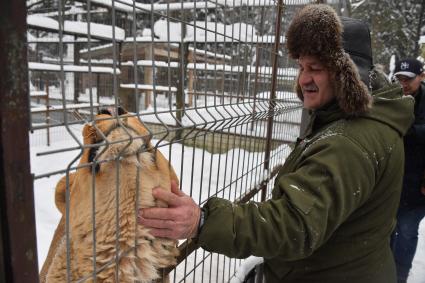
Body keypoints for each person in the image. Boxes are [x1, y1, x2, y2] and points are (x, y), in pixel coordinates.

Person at [138, 4, 414, 282]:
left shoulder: (347, 143)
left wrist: (202, 221)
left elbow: (294, 225)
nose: (304, 78)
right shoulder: (369, 117)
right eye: (301, 67)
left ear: (348, 75)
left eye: (315, 68)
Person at [391, 58, 425, 283]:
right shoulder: (390, 98)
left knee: (406, 230)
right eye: (399, 79)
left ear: (421, 77)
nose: (403, 84)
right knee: (386, 229)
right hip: (391, 182)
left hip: (417, 184)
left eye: (408, 79)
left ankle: (399, 275)